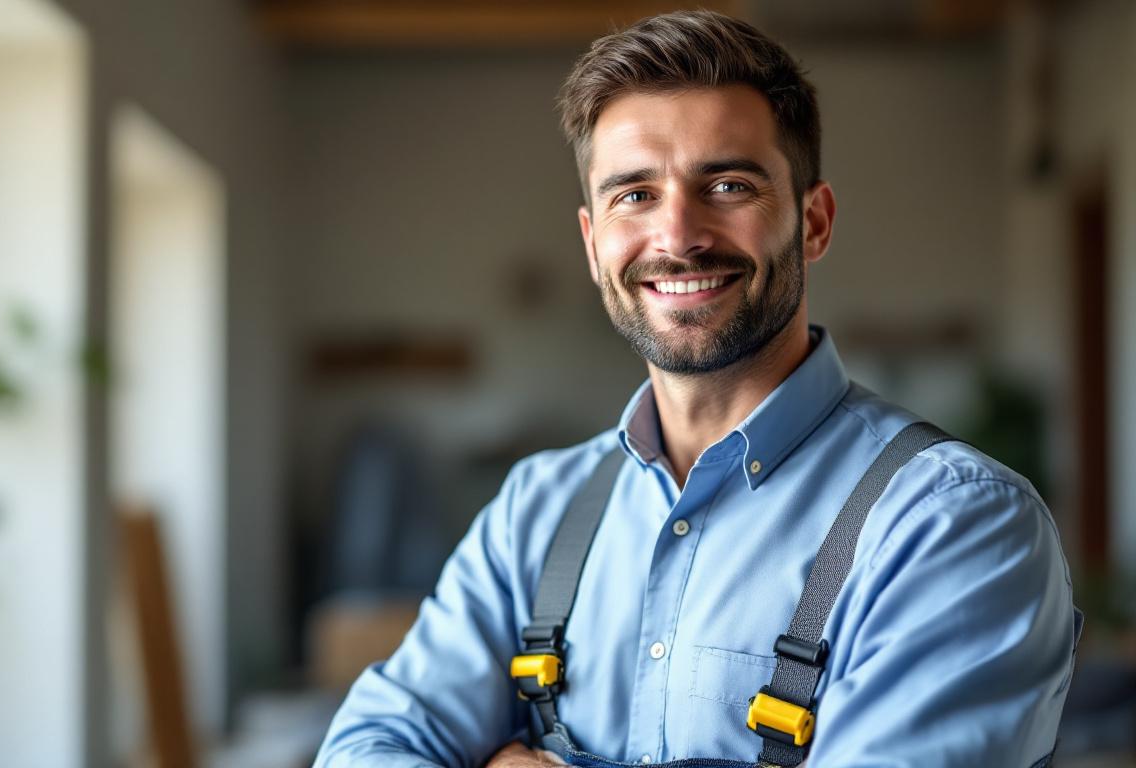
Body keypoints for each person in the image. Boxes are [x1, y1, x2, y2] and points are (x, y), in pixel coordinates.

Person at [313, 10, 1078, 768]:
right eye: (634, 195)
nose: (677, 236)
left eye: (728, 184)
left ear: (814, 222)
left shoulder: (954, 526)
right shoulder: (532, 515)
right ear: (592, 243)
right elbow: (364, 750)